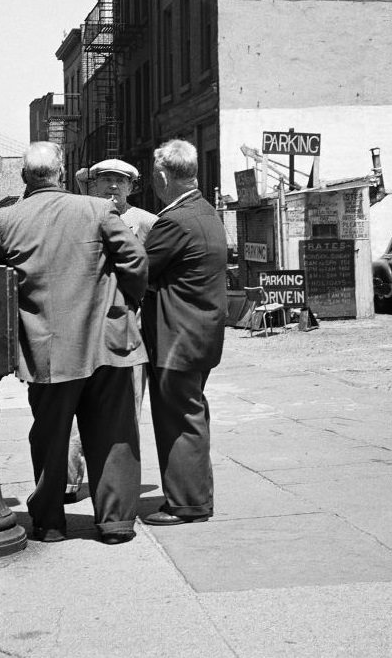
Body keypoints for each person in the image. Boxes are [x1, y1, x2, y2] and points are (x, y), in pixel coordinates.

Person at [0, 141, 148, 545]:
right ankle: (115, 522)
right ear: (61, 171)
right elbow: (135, 261)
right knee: (113, 433)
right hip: (107, 342)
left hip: (46, 347)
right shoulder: (96, 209)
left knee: (49, 436)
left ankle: (49, 523)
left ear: (26, 177)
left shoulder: (5, 220)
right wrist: (125, 303)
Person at [141, 139, 228, 526]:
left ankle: (187, 503)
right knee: (191, 413)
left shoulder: (174, 221)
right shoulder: (206, 212)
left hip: (176, 337)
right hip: (199, 334)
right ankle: (193, 496)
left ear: (162, 176)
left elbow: (138, 270)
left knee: (179, 419)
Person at [66, 157, 157, 501]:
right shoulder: (81, 216)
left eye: (121, 180)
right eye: (105, 180)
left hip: (127, 331)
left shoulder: (146, 222)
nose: (113, 186)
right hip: (83, 329)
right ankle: (69, 481)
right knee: (75, 409)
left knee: (126, 410)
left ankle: (117, 486)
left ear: (133, 186)